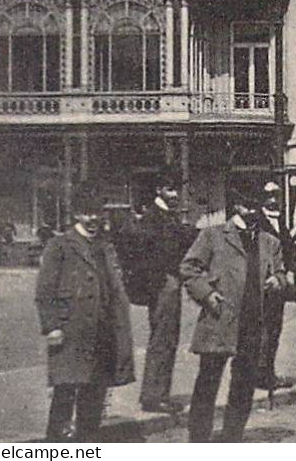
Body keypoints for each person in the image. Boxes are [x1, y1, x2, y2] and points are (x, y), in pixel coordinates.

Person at [180, 179, 285, 444]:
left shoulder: (269, 241)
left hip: (252, 323)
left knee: (244, 385)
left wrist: (278, 281)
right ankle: (198, 440)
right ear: (237, 206)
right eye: (249, 206)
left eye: (257, 206)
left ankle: (232, 437)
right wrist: (207, 294)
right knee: (208, 382)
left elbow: (281, 273)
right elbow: (189, 268)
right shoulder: (213, 235)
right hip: (219, 320)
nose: (254, 212)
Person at [35, 183, 135, 441]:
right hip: (71, 334)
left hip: (102, 335)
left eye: (97, 212)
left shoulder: (104, 246)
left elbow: (115, 288)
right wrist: (52, 326)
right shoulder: (60, 246)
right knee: (64, 396)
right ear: (76, 214)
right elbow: (45, 291)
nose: (93, 219)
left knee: (94, 400)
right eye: (87, 213)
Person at [116, 168, 196, 413]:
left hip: (168, 282)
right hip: (163, 284)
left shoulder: (165, 215)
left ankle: (159, 392)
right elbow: (149, 250)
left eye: (177, 190)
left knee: (168, 337)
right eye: (170, 189)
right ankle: (153, 396)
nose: (175, 194)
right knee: (163, 338)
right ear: (159, 190)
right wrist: (158, 278)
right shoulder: (156, 217)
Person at [253, 181, 296, 391]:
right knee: (264, 329)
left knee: (274, 329)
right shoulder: (258, 222)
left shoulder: (280, 221)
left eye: (276, 195)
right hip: (264, 284)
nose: (273, 200)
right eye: (268, 195)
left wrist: (291, 270)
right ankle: (262, 375)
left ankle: (268, 372)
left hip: (279, 283)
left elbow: (287, 249)